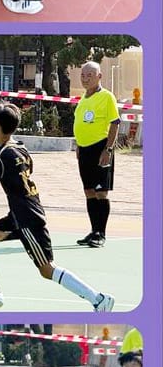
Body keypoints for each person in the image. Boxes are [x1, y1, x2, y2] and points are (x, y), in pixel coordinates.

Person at [0, 102, 116, 312]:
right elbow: (15, 168)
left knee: (47, 269)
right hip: (18, 215)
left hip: (27, 219)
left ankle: (98, 299)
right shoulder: (19, 148)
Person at [74, 61, 121, 248]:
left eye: (89, 75)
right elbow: (81, 124)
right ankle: (94, 231)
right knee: (89, 191)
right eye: (83, 75)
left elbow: (114, 123)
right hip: (84, 150)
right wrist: (79, 145)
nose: (85, 79)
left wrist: (107, 149)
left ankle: (101, 233)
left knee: (101, 192)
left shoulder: (107, 97)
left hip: (101, 149)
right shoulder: (83, 98)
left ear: (99, 76)